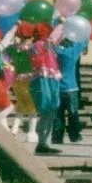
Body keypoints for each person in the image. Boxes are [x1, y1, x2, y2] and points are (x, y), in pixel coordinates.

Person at [26, 23, 64, 156]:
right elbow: (36, 60)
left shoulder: (50, 45)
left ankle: (45, 143)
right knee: (46, 111)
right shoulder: (36, 46)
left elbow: (60, 39)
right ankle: (42, 143)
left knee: (52, 111)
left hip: (51, 79)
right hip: (42, 80)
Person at [52, 28, 87, 145]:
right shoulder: (72, 52)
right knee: (73, 113)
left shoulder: (54, 52)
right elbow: (83, 41)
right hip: (71, 87)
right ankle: (75, 135)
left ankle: (57, 137)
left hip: (57, 87)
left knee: (57, 114)